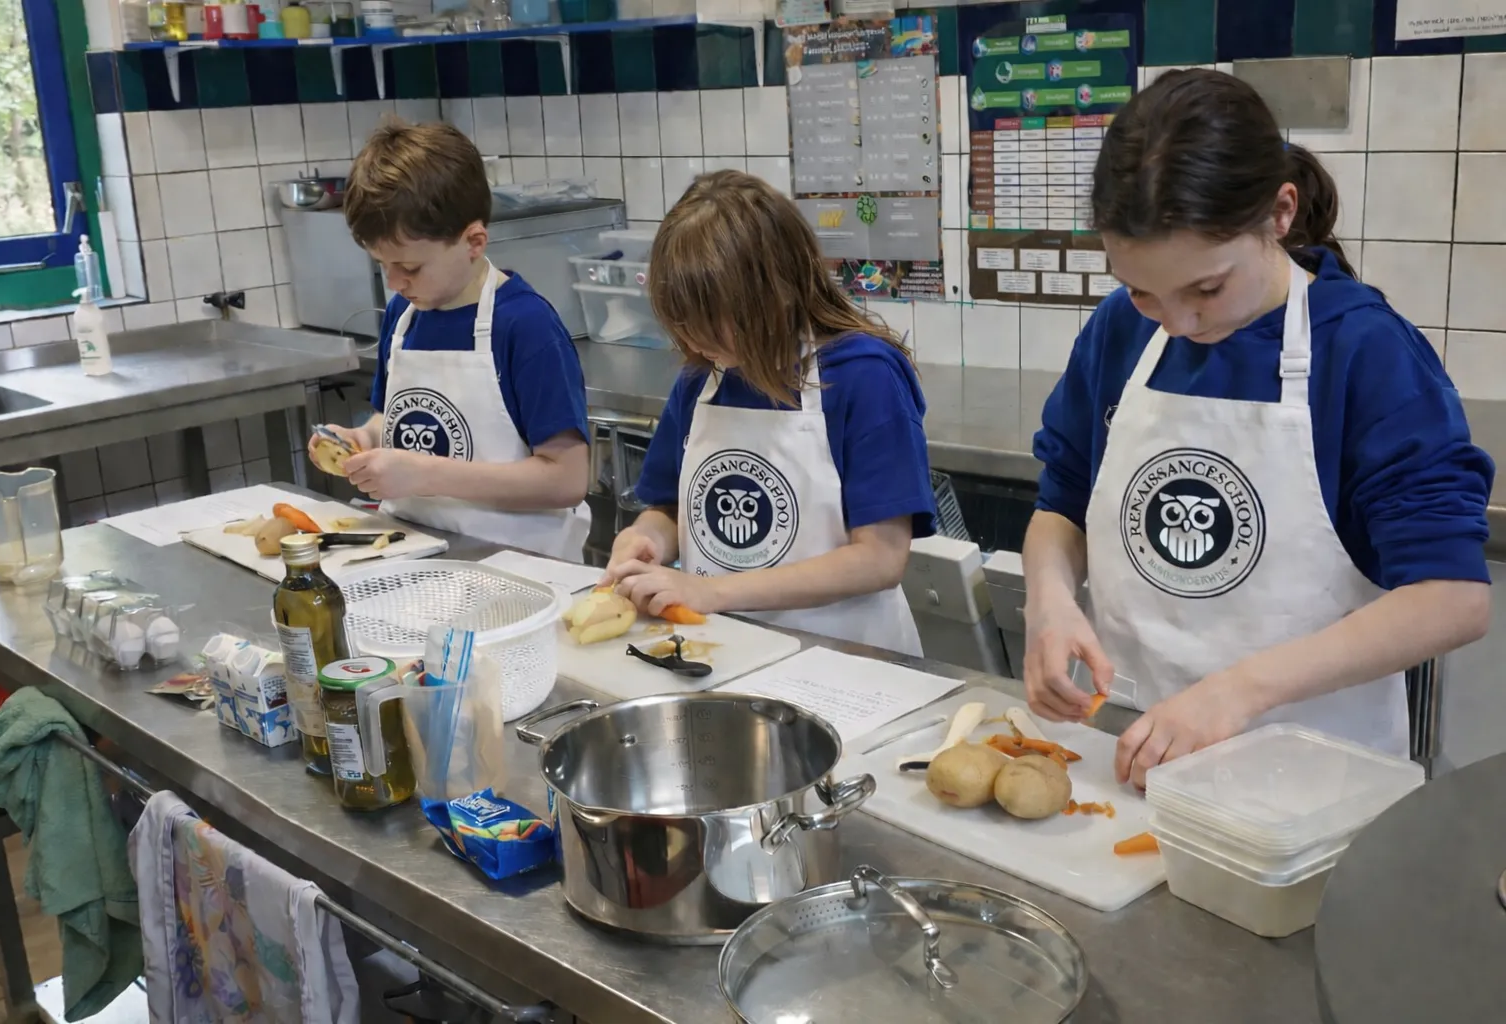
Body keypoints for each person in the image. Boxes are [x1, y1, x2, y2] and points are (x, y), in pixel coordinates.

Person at [1022, 70, 1493, 788]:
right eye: (1142, 290)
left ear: (1279, 213)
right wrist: (1051, 601)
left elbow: (1452, 598)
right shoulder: (1120, 332)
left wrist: (1238, 691)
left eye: (1208, 288)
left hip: (1311, 784)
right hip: (1131, 759)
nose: (1180, 322)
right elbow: (1062, 504)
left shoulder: (1364, 350)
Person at [602, 170, 936, 657]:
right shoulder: (702, 378)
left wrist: (714, 592)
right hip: (721, 652)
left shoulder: (863, 376)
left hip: (846, 661)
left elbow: (880, 558)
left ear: (773, 295)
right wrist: (646, 538)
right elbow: (669, 509)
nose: (692, 340)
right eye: (682, 323)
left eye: (708, 322)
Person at [320, 121, 592, 561]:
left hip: (519, 567)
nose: (394, 282)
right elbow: (391, 418)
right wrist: (362, 440)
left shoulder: (526, 327)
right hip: (415, 553)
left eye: (410, 267)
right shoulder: (404, 315)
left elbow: (566, 480)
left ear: (474, 242)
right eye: (382, 265)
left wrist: (425, 474)